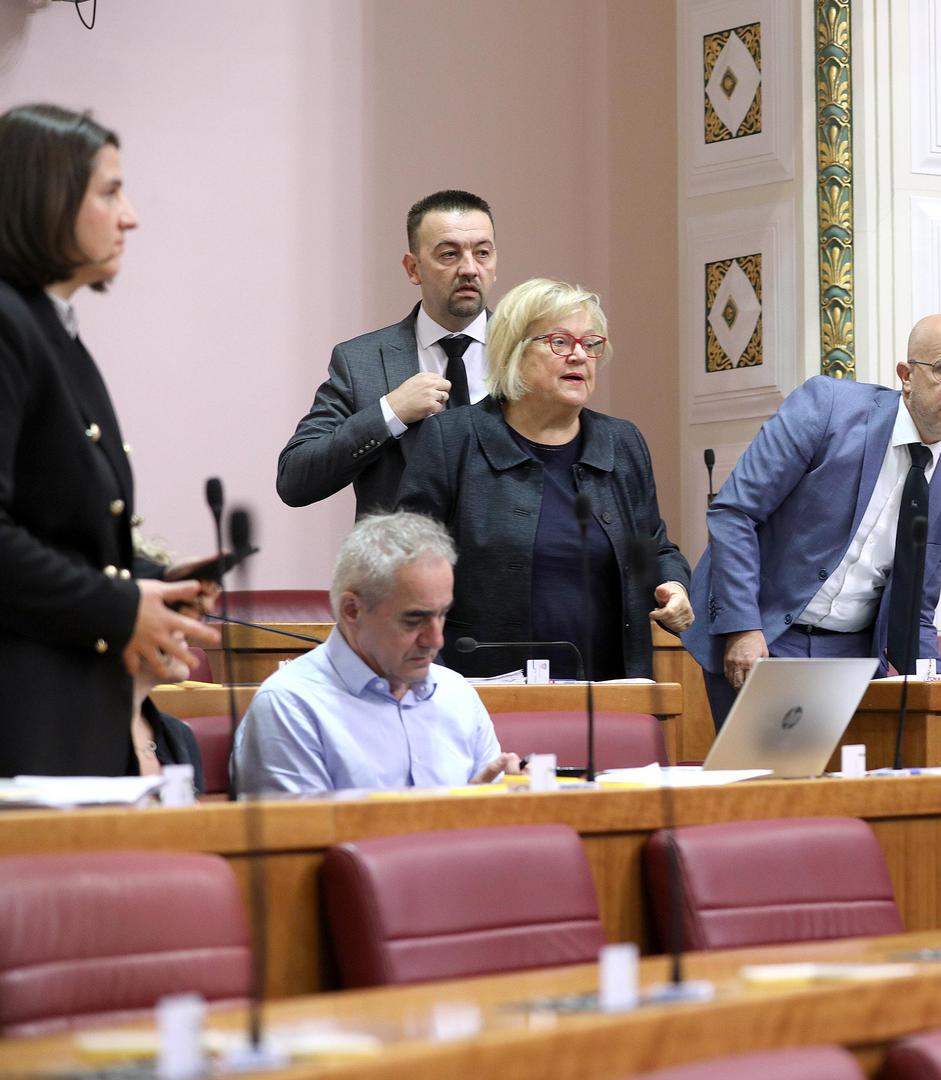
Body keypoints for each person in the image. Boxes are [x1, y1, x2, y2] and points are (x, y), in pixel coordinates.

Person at [0, 103, 215, 778]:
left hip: (68, 706)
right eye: (110, 191)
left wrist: (153, 585)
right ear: (47, 198)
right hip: (23, 714)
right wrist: (119, 606)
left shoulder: (49, 326)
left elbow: (55, 525)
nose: (131, 215)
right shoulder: (8, 324)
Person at [683, 314, 941, 726]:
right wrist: (741, 627)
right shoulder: (828, 408)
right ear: (906, 375)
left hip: (854, 658)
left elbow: (915, 610)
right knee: (766, 784)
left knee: (854, 787)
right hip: (766, 635)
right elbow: (736, 513)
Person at [397, 278, 691, 680]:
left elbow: (651, 547)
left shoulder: (621, 442)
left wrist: (673, 585)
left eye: (590, 344)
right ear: (512, 353)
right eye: (560, 342)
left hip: (609, 686)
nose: (579, 356)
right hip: (482, 686)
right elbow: (408, 568)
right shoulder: (453, 440)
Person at [231, 512, 521, 794]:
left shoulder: (455, 692)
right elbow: (302, 839)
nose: (436, 639)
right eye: (413, 619)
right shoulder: (291, 706)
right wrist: (457, 818)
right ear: (352, 610)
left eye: (442, 614)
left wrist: (493, 805)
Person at [277, 190, 498, 517]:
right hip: (402, 564)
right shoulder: (360, 362)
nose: (469, 268)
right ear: (413, 268)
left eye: (482, 253)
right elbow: (295, 479)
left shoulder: (529, 354)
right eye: (449, 254)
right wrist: (389, 412)